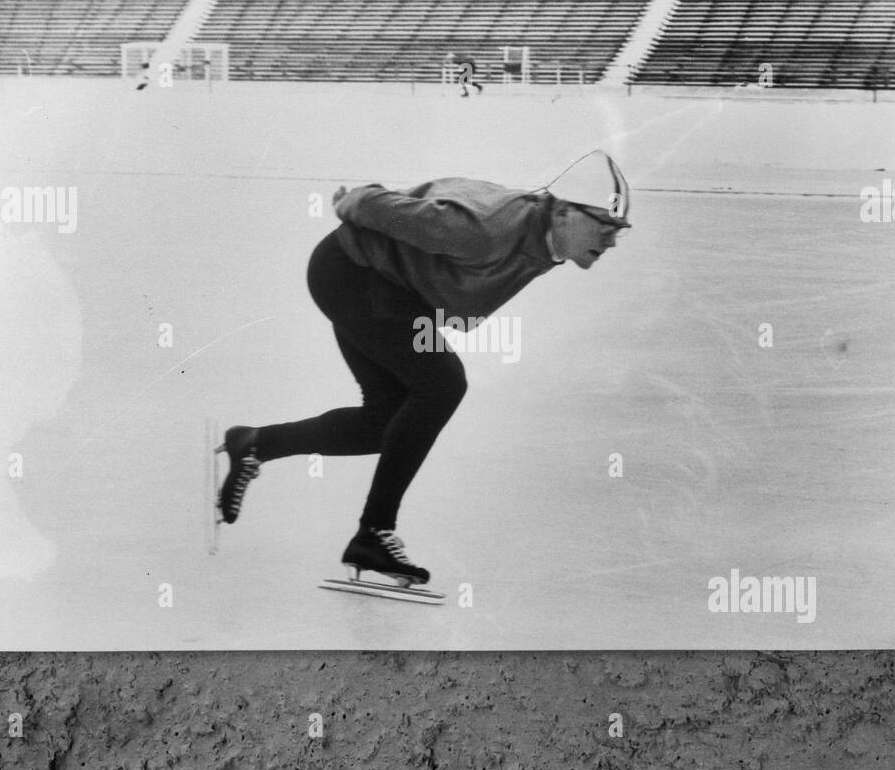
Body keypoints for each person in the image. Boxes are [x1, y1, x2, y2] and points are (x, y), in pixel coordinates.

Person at [216, 151, 631, 587]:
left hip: (387, 286)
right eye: (604, 225)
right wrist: (351, 200)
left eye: (619, 230)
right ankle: (374, 532)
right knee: (442, 385)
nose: (611, 240)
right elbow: (380, 207)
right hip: (352, 274)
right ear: (564, 212)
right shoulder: (487, 231)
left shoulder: (544, 235)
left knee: (387, 422)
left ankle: (256, 443)